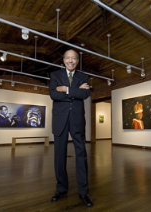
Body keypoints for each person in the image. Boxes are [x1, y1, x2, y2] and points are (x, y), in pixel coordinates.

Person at [49, 49, 93, 207]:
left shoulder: (83, 76)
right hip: (60, 120)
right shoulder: (55, 76)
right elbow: (54, 95)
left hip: (77, 120)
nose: (71, 60)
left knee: (81, 155)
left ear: (77, 61)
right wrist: (76, 91)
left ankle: (83, 192)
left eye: (74, 58)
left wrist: (66, 90)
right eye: (68, 58)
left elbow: (85, 95)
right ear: (63, 60)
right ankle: (61, 188)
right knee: (59, 155)